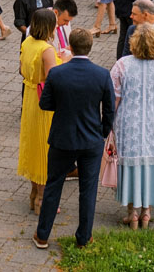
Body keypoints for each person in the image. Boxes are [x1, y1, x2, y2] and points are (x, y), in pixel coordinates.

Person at [33, 29, 115, 250]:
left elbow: (45, 104)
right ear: (90, 47)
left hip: (62, 138)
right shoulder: (101, 74)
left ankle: (42, 236)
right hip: (91, 140)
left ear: (70, 45)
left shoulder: (57, 74)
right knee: (88, 190)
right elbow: (109, 110)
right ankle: (84, 236)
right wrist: (102, 133)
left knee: (53, 186)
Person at [109, 24, 154, 229]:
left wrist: (109, 123)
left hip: (129, 121)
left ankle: (132, 212)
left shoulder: (122, 65)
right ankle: (147, 212)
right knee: (150, 163)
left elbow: (115, 97)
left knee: (130, 163)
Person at [18, 9, 63, 214]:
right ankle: (42, 200)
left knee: (32, 144)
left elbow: (21, 70)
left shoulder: (27, 43)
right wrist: (67, 61)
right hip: (43, 100)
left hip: (29, 96)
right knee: (45, 148)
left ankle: (33, 193)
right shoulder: (46, 49)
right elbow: (54, 77)